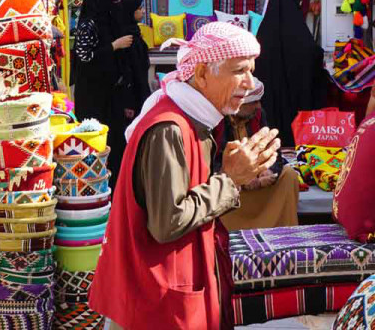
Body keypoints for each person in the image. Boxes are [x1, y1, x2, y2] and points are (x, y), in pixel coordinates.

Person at [91, 22, 281, 330]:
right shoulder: (170, 128)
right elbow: (168, 221)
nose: (250, 83)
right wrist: (230, 180)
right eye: (239, 71)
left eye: (251, 71)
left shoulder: (192, 120)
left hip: (165, 292)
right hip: (155, 300)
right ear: (203, 73)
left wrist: (230, 175)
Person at [220, 81, 300, 231]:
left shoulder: (258, 114)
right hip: (231, 180)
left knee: (289, 175)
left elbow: (274, 151)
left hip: (257, 176)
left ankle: (283, 234)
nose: (258, 106)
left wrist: (269, 170)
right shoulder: (217, 120)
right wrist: (242, 179)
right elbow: (214, 161)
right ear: (237, 103)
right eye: (253, 102)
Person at [255, 0, 328, 146]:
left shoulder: (264, 33)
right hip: (296, 99)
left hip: (272, 100)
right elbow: (312, 55)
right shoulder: (299, 33)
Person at [72, 0, 131, 145]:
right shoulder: (88, 25)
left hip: (107, 89)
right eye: (113, 0)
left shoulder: (105, 21)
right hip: (91, 92)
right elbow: (84, 56)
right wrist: (114, 45)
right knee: (94, 135)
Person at [109, 0, 152, 190]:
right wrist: (129, 103)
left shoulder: (133, 33)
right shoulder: (126, 37)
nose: (142, 12)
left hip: (139, 94)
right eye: (139, 9)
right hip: (131, 99)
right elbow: (126, 73)